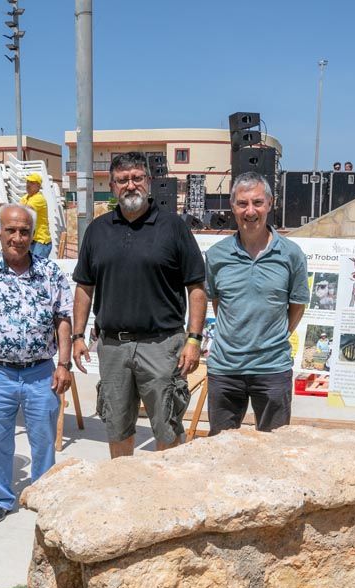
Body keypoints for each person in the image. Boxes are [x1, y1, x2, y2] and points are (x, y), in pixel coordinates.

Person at [71, 151, 207, 458]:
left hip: (162, 346)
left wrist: (194, 339)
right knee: (117, 427)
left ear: (148, 181)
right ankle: (124, 494)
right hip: (112, 348)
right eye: (122, 180)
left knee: (167, 428)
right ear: (112, 185)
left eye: (136, 178)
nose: (130, 186)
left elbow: (196, 288)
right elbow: (84, 287)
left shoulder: (173, 227)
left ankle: (168, 500)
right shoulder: (97, 230)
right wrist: (78, 335)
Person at [0, 204, 73, 524]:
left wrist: (64, 364)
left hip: (40, 372)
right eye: (11, 230)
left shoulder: (50, 272)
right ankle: (2, 498)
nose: (18, 237)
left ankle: (43, 495)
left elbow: (63, 319)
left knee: (44, 439)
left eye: (24, 231)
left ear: (33, 235)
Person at [203, 173, 308, 436]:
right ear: (232, 206)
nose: (250, 211)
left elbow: (296, 306)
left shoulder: (292, 254)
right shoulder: (216, 256)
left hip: (272, 369)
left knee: (275, 451)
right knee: (221, 451)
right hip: (225, 370)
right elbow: (218, 304)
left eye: (257, 202)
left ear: (270, 203)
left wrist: (276, 336)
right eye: (242, 203)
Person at [0, 173, 52, 258]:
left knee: (36, 268)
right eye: (27, 182)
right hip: (32, 240)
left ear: (38, 186)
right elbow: (17, 207)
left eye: (32, 183)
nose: (28, 185)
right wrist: (1, 205)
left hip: (40, 241)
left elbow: (24, 211)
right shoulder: (26, 197)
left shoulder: (38, 198)